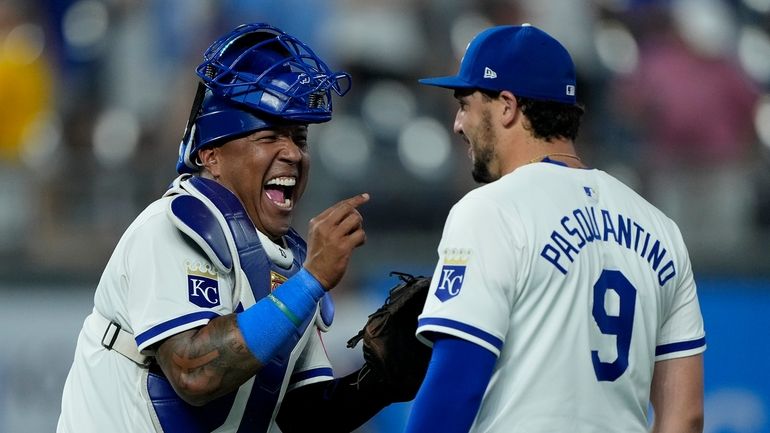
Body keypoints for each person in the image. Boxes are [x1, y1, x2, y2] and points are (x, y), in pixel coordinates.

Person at [57, 23, 407, 433]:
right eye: (269, 136)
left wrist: (386, 378)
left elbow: (305, 416)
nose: (293, 152)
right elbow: (194, 373)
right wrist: (312, 281)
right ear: (212, 155)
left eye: (299, 137)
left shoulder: (291, 260)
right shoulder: (170, 229)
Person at [406, 24, 706, 433]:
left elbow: (453, 390)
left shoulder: (491, 210)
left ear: (507, 105)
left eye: (466, 103)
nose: (459, 124)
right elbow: (683, 418)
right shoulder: (661, 228)